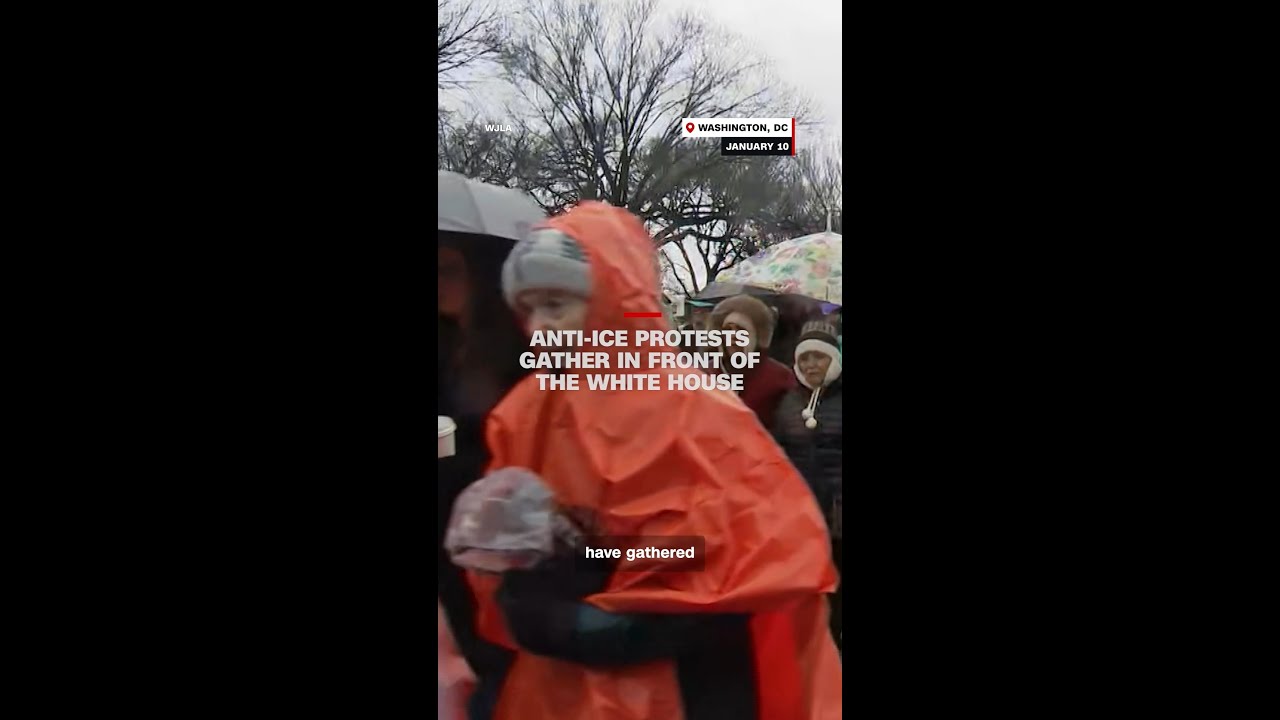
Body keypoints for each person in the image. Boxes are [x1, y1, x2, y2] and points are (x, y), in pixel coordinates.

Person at [464, 201, 842, 720]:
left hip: (685, 684)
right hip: (561, 689)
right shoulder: (525, 413)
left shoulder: (697, 411)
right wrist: (509, 557)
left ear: (614, 298)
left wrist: (603, 591)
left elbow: (756, 552)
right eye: (529, 308)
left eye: (556, 304)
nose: (540, 326)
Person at [438, 235, 532, 720]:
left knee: (500, 653)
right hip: (448, 526)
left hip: (500, 526)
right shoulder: (445, 344)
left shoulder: (517, 349)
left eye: (448, 270)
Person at [771, 319, 843, 650]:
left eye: (819, 357)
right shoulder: (789, 403)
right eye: (805, 358)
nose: (812, 364)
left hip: (838, 512)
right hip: (804, 514)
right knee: (815, 589)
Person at [707, 294, 794, 428]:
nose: (733, 336)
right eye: (728, 330)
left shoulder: (779, 377)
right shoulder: (706, 373)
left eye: (741, 330)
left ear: (755, 335)